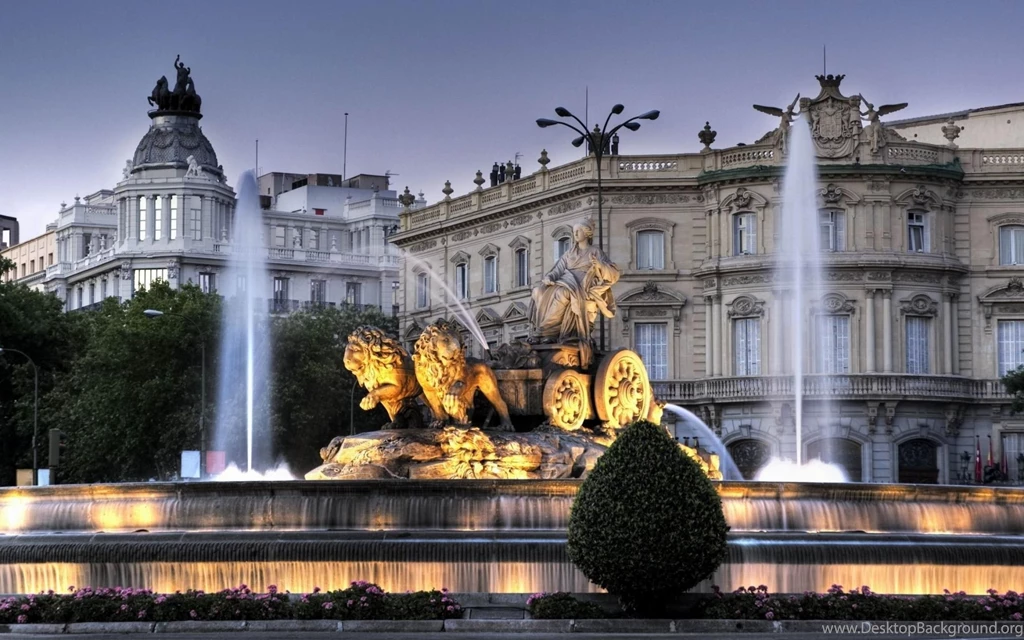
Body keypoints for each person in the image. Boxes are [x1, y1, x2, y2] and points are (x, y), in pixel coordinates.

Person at [528, 219, 620, 367]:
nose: (575, 234)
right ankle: (543, 333)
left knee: (562, 293)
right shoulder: (569, 252)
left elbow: (614, 274)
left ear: (587, 233)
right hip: (565, 280)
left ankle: (545, 332)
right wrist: (549, 277)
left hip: (581, 286)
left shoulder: (595, 252)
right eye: (574, 231)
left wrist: (600, 265)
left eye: (579, 231)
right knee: (538, 291)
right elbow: (558, 269)